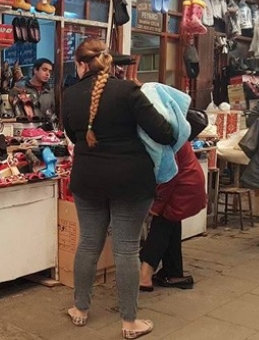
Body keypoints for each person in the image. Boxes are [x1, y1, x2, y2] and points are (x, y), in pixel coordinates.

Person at [62, 38, 174, 339]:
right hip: (130, 180)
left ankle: (80, 310)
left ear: (81, 64)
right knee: (126, 248)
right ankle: (129, 322)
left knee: (88, 243)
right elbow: (164, 133)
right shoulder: (129, 91)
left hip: (88, 179)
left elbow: (72, 133)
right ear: (108, 62)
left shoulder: (70, 95)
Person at [139, 139, 207, 291]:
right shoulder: (171, 131)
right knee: (171, 224)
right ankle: (173, 272)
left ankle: (145, 275)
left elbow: (169, 174)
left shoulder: (163, 136)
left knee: (162, 224)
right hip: (187, 182)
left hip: (181, 186)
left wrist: (156, 204)